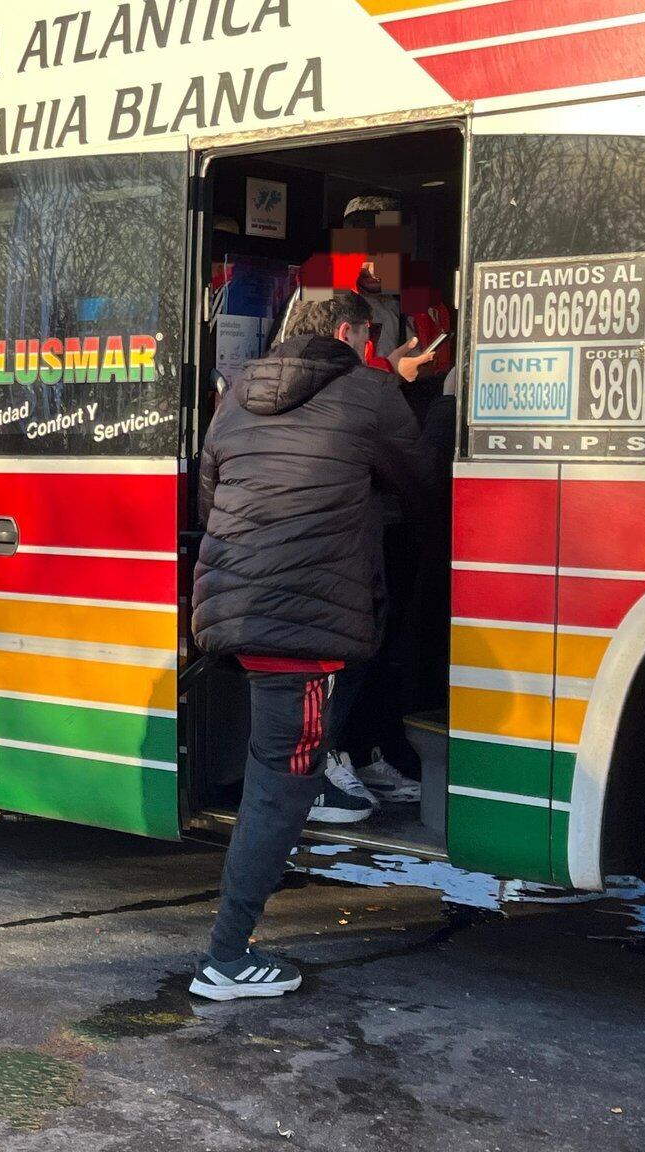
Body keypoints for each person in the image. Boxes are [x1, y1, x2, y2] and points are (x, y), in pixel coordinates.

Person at [188, 290, 432, 1001]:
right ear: (354, 332)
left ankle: (337, 757)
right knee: (277, 790)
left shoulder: (235, 395)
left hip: (238, 609)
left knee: (299, 742)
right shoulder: (370, 392)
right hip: (300, 629)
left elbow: (211, 501)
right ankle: (226, 960)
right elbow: (424, 488)